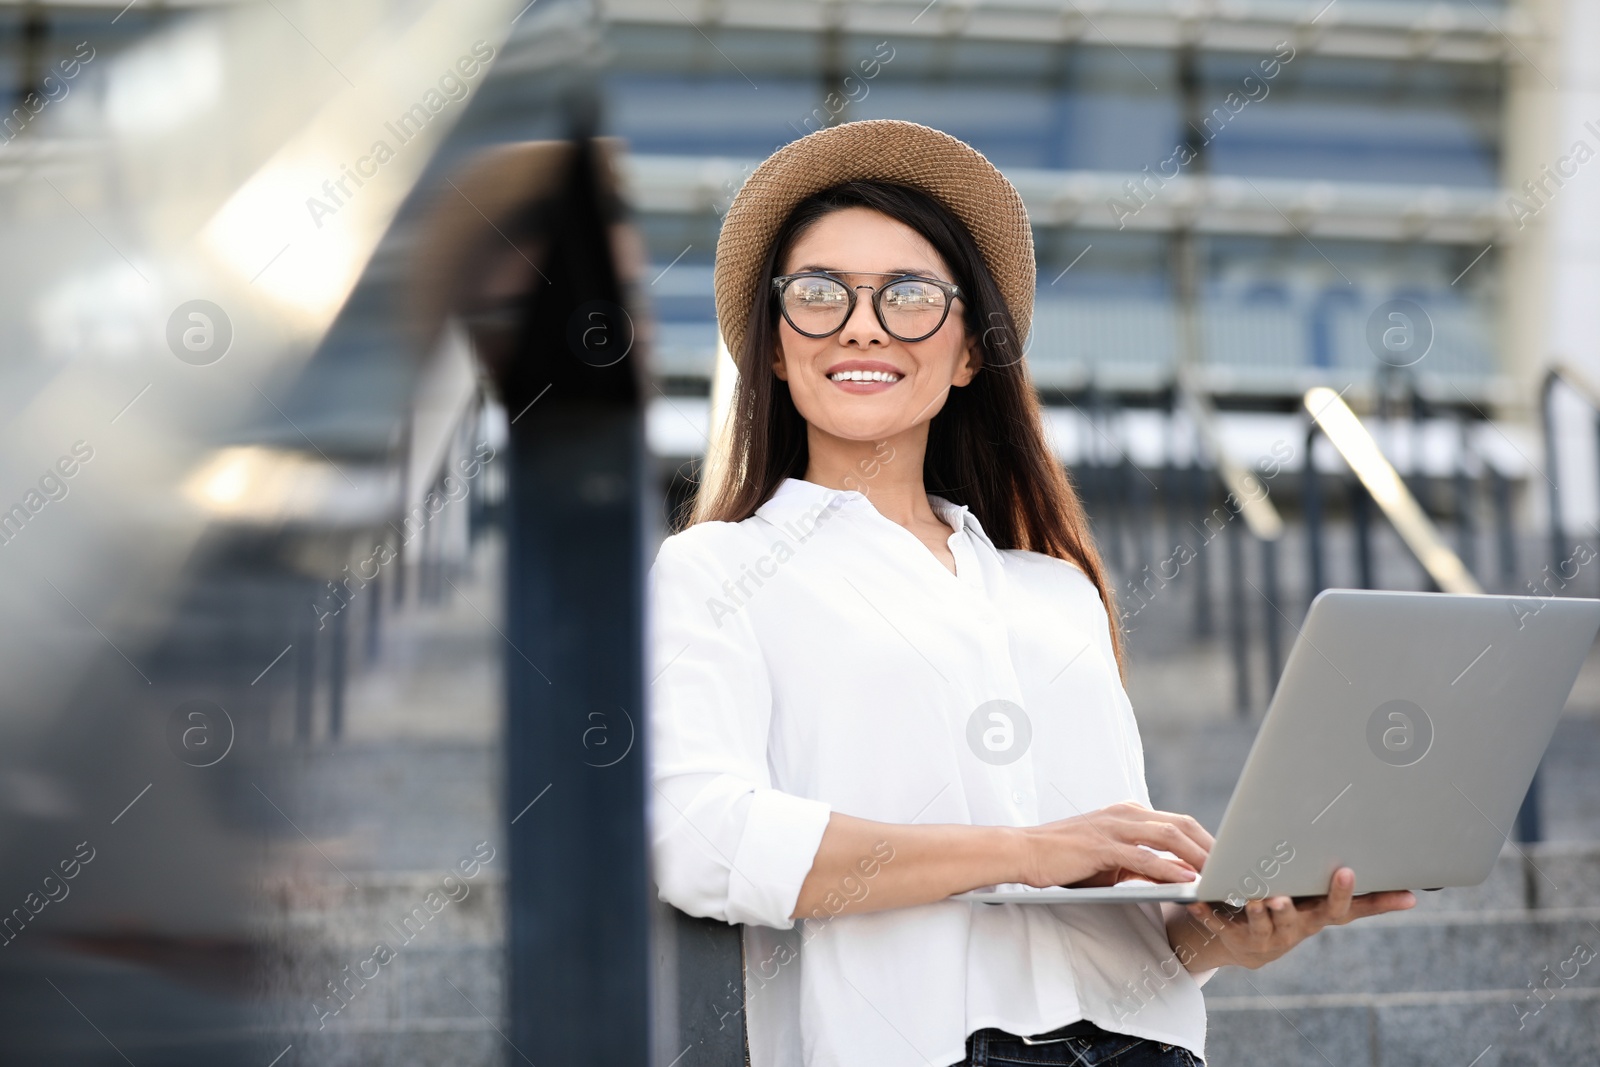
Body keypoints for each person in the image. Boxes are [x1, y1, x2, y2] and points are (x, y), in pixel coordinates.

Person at [647, 119, 1413, 1067]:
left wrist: (1230, 931)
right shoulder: (717, 570)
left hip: (1144, 1045)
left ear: (970, 351)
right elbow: (701, 838)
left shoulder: (1056, 592)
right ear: (772, 347)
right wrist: (1022, 850)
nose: (861, 322)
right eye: (817, 294)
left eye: (911, 295)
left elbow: (1125, 916)